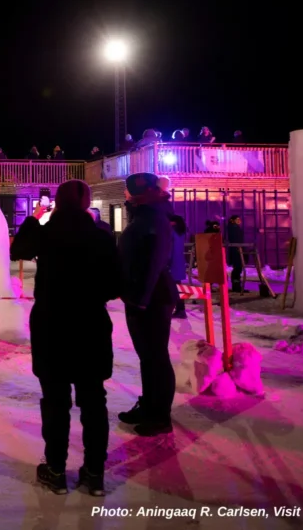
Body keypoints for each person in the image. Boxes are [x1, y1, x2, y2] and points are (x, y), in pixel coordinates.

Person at [11, 180, 120, 496]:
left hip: (52, 327)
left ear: (55, 202)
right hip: (91, 327)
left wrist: (35, 216)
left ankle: (56, 470)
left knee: (56, 400)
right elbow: (115, 286)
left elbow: (18, 250)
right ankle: (95, 474)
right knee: (93, 401)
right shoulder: (102, 238)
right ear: (87, 203)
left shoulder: (46, 233)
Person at [117, 173, 177, 437]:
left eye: (127, 191)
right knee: (148, 357)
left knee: (156, 356)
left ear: (137, 193)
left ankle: (160, 414)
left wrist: (140, 298)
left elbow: (152, 261)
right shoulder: (146, 214)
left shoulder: (151, 217)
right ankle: (149, 404)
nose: (125, 195)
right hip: (143, 296)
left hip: (151, 298)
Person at [169, 215, 188, 318]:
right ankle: (180, 309)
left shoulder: (171, 232)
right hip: (178, 262)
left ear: (173, 222)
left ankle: (179, 309)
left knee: (172, 288)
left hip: (171, 263)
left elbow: (169, 249)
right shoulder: (180, 232)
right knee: (177, 287)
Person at [227, 215, 245, 294]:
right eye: (237, 219)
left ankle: (237, 286)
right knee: (238, 267)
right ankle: (236, 286)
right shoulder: (233, 228)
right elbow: (235, 239)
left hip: (237, 249)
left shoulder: (235, 228)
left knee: (238, 267)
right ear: (233, 220)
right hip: (236, 250)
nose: (239, 220)